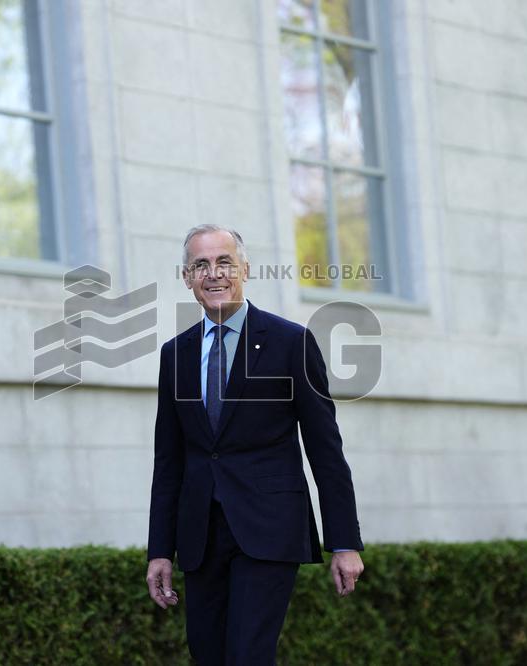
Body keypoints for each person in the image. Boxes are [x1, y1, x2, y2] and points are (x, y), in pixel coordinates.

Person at [145, 224, 364, 665]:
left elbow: (325, 448)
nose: (213, 274)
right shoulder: (175, 354)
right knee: (207, 655)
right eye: (200, 265)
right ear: (187, 278)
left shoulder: (291, 342)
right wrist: (160, 551)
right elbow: (169, 460)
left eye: (224, 262)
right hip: (200, 536)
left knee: (248, 655)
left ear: (244, 269)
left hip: (269, 529)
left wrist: (344, 541)